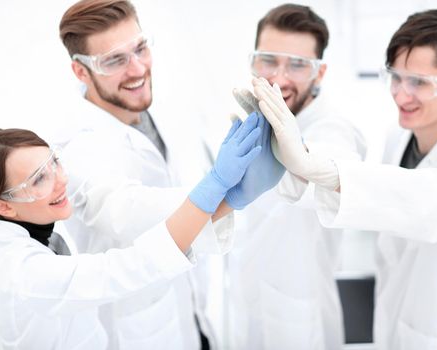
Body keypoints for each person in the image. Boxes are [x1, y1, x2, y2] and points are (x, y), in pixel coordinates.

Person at [254, 8, 437, 350]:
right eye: (395, 77)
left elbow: (435, 202)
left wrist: (330, 172)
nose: (401, 95)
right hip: (395, 328)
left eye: (419, 82)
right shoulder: (398, 136)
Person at [53, 0, 286, 348]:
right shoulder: (79, 147)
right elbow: (125, 212)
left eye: (140, 49)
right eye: (114, 60)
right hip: (139, 330)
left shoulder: (156, 108)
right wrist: (224, 193)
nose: (137, 69)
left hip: (191, 311)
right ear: (80, 71)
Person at [0, 118, 265, 349]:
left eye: (54, 161)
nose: (61, 179)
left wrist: (226, 198)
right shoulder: (19, 271)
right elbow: (121, 270)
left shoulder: (38, 215)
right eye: (39, 178)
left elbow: (127, 205)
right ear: (3, 206)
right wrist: (215, 188)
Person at [224, 4, 366, 349]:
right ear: (252, 61)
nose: (279, 78)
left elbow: (335, 166)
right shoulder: (249, 118)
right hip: (243, 305)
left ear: (320, 72)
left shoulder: (335, 126)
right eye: (268, 60)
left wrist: (300, 158)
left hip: (299, 324)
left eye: (298, 65)